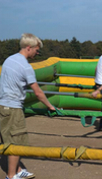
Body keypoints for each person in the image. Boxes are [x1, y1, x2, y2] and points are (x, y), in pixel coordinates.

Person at [0, 33, 56, 179]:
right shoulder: (26, 67)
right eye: (37, 50)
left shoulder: (9, 60)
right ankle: (11, 176)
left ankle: (18, 170)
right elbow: (38, 93)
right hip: (13, 108)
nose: (37, 53)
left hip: (2, 106)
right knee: (16, 143)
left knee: (8, 140)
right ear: (29, 48)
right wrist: (50, 106)